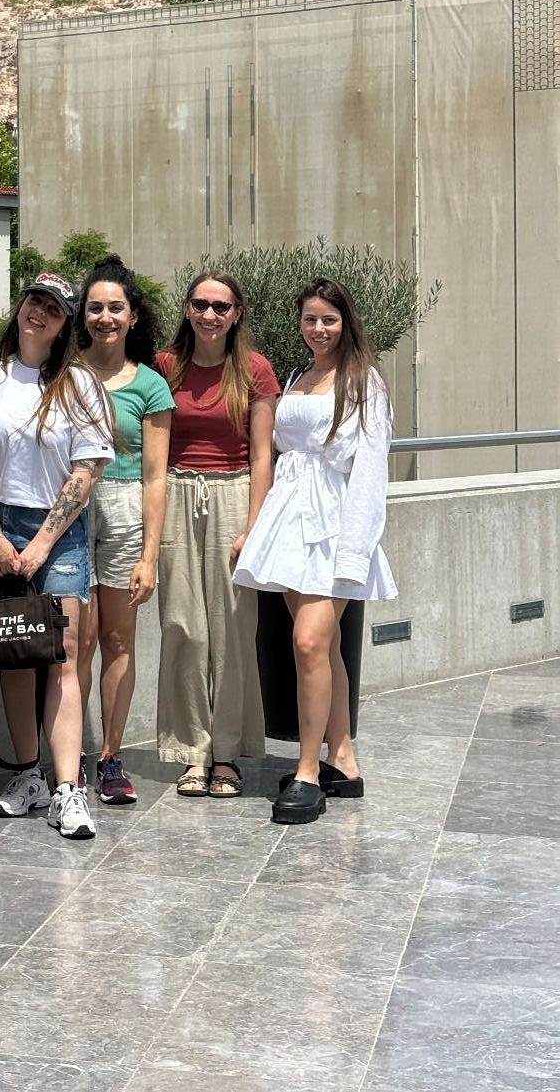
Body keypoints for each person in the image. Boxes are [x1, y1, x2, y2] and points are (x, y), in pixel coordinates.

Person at [0, 272, 115, 839]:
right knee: (14, 655)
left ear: (65, 322)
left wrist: (43, 541)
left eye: (52, 308)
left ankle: (69, 788)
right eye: (33, 302)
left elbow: (88, 468)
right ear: (19, 307)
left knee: (64, 658)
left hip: (58, 528)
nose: (39, 314)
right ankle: (28, 775)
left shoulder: (79, 384)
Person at [234, 278, 396, 825]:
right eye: (310, 319)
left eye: (328, 319)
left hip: (335, 526)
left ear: (346, 321)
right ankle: (343, 759)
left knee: (308, 643)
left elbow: (371, 474)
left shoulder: (364, 381)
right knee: (322, 651)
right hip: (290, 521)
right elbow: (283, 452)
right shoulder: (300, 374)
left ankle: (307, 772)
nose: (319, 328)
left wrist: (355, 552)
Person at [154, 272, 278, 799]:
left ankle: (225, 752)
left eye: (220, 307)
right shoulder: (165, 366)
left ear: (236, 313)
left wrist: (254, 526)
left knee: (231, 631)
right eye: (201, 304)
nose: (209, 314)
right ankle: (190, 751)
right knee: (182, 627)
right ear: (187, 309)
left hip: (233, 495)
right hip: (178, 495)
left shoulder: (253, 370)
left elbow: (263, 454)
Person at [75, 256, 173, 805]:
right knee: (76, 643)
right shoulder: (62, 372)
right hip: (70, 509)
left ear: (132, 317)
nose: (105, 317)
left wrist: (149, 557)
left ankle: (110, 756)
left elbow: (157, 476)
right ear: (82, 315)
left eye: (116, 308)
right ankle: (73, 758)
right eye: (96, 308)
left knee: (116, 639)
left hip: (123, 508)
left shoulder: (150, 385)